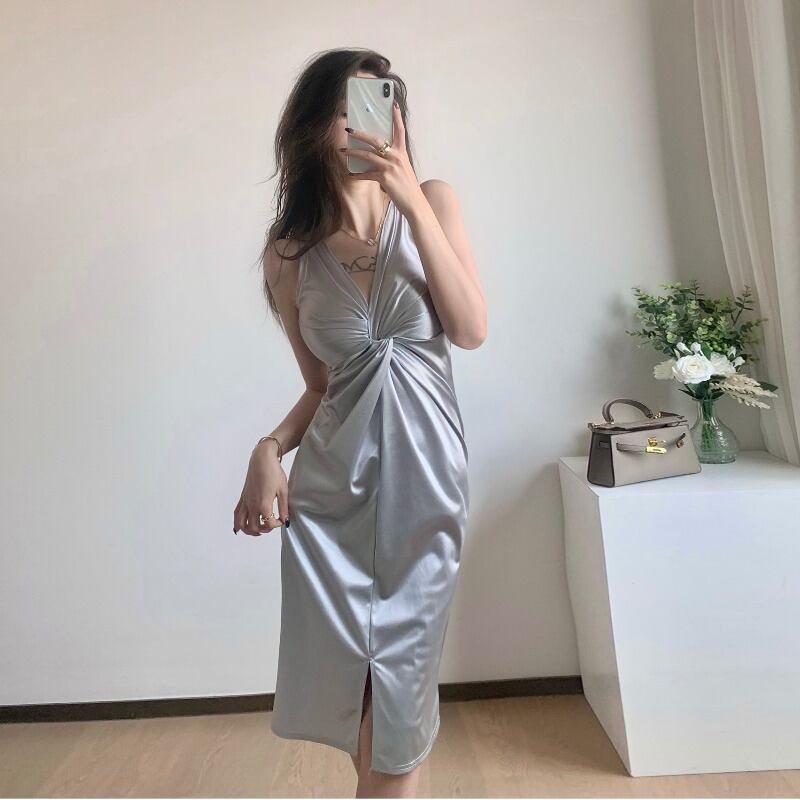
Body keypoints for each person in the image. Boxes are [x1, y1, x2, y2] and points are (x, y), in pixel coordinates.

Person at [233, 48, 486, 798]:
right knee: (364, 709)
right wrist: (268, 449)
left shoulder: (433, 201)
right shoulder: (289, 254)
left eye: (378, 104)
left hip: (425, 492)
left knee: (398, 704)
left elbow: (469, 329)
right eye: (345, 108)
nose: (361, 124)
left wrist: (407, 197)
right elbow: (322, 387)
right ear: (312, 125)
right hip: (330, 504)